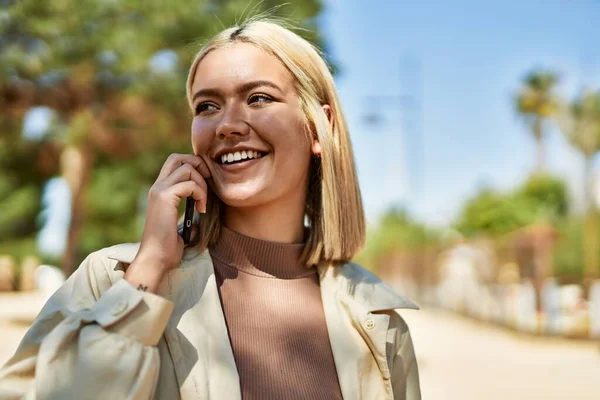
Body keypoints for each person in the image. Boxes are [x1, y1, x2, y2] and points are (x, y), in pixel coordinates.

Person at [0, 18, 421, 400]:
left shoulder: (377, 317)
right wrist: (146, 272)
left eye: (258, 98)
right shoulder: (113, 279)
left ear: (319, 127)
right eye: (207, 106)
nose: (227, 125)